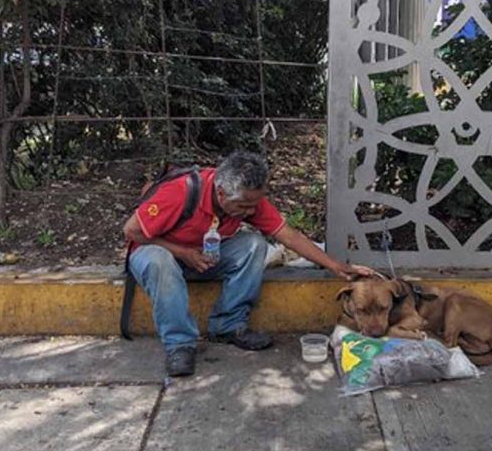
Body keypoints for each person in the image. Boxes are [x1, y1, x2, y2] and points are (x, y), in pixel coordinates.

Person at [123, 150, 374, 377]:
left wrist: (335, 266)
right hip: (155, 251)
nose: (249, 212)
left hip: (202, 255)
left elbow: (288, 235)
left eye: (253, 205)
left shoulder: (249, 200)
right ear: (221, 193)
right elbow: (133, 231)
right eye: (243, 206)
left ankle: (228, 325)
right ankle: (179, 345)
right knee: (160, 261)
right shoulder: (180, 192)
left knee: (254, 244)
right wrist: (183, 252)